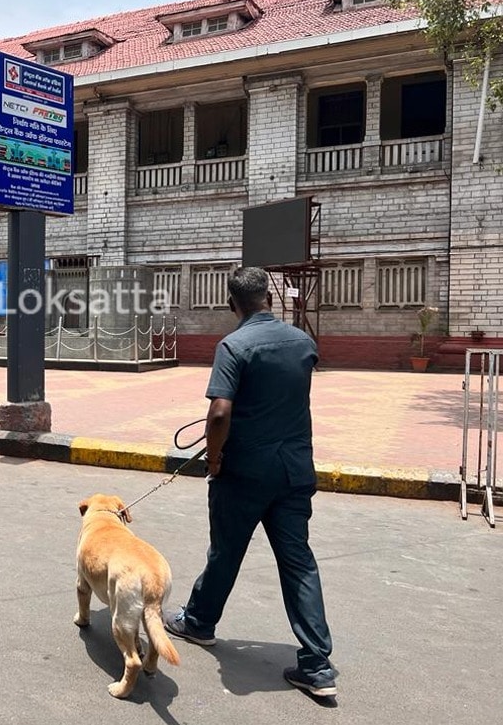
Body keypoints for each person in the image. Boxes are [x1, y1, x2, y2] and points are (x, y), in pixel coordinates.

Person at [163, 267, 337, 698]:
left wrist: (216, 457)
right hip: (294, 470)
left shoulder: (233, 345)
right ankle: (317, 665)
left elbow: (220, 413)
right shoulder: (302, 342)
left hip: (244, 472)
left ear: (231, 304)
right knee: (298, 562)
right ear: (270, 300)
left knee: (225, 551)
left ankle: (200, 623)